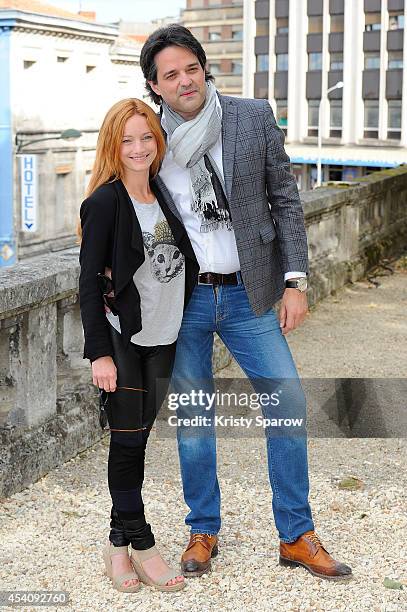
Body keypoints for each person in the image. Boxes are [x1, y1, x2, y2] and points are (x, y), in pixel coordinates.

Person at [139, 25, 353, 581]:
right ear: (155, 86)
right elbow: (126, 206)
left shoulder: (252, 116)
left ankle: (297, 534)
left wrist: (296, 281)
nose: (184, 80)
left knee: (288, 404)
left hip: (248, 293)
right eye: (170, 75)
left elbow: (286, 201)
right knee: (193, 416)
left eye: (191, 68)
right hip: (182, 299)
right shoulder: (149, 140)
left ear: (205, 69)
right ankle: (203, 527)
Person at [78, 98, 199, 592]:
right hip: (123, 342)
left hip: (164, 338)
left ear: (157, 139)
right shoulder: (105, 202)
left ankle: (115, 547)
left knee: (137, 443)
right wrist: (99, 353)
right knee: (127, 443)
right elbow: (87, 282)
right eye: (127, 139)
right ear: (113, 145)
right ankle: (144, 546)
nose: (138, 147)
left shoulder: (165, 196)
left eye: (146, 136)